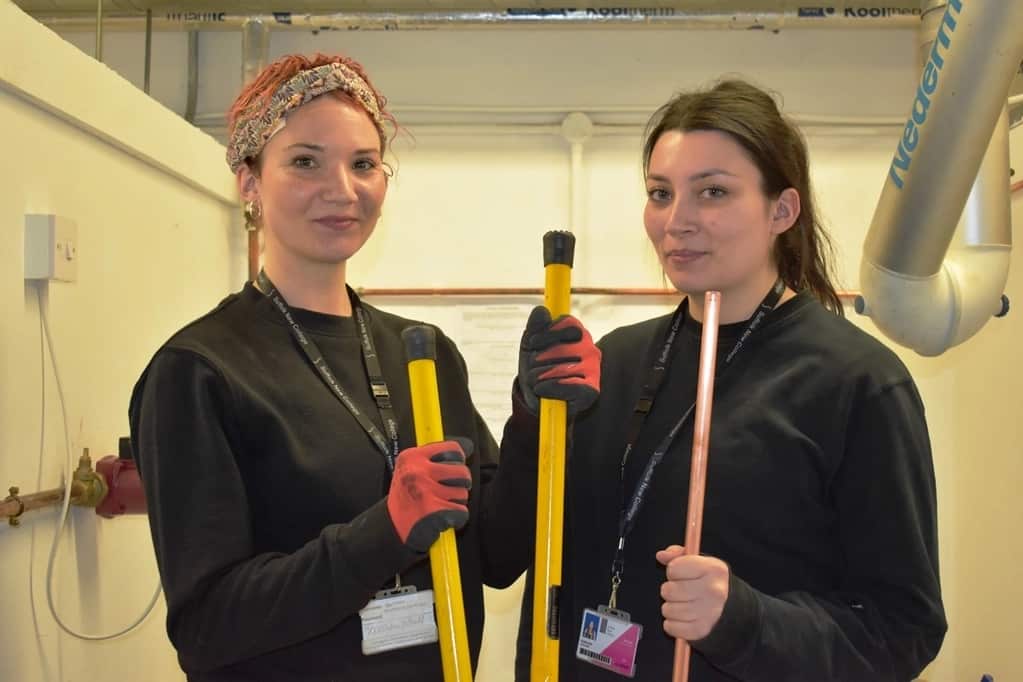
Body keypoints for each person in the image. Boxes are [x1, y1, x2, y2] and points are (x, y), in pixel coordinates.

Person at [128, 52, 600, 681]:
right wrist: (386, 529)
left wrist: (538, 416)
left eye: (363, 164)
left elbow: (495, 555)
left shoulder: (422, 350)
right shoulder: (200, 371)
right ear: (248, 181)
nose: (342, 190)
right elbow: (207, 627)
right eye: (304, 161)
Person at [515, 78, 947, 681]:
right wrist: (529, 415)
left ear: (782, 210)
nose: (677, 221)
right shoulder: (611, 363)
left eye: (713, 192)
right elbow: (517, 545)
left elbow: (903, 629)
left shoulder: (858, 383)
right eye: (660, 193)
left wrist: (745, 620)